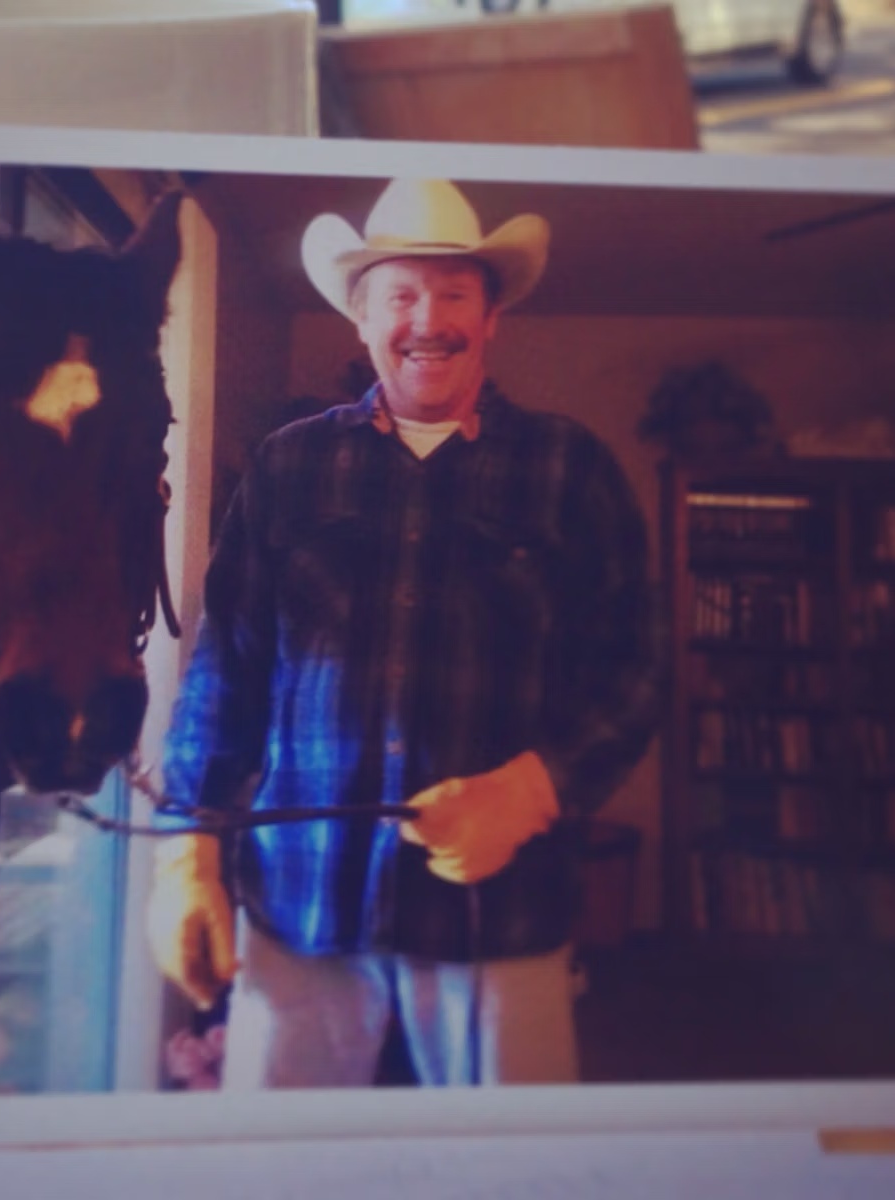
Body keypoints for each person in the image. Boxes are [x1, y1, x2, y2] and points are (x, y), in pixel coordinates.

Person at [146, 177, 662, 1090]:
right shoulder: (287, 464)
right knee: (278, 1173)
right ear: (362, 318)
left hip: (499, 917)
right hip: (302, 903)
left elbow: (637, 670)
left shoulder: (570, 467)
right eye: (402, 295)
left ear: (491, 315)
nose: (430, 319)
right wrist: (188, 844)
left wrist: (536, 788)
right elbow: (226, 668)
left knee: (513, 1177)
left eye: (454, 293)